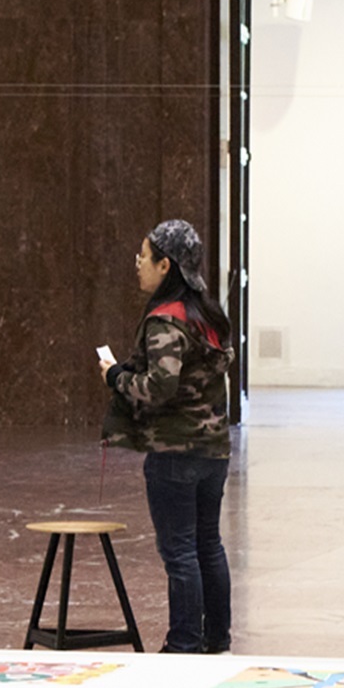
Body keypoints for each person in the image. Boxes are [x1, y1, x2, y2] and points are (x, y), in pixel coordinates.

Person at [102, 218, 236, 654]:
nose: (138, 264)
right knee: (207, 543)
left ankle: (183, 642)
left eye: (144, 257)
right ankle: (216, 637)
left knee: (179, 551)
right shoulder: (207, 315)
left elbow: (161, 386)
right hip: (214, 449)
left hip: (174, 451)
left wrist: (116, 379)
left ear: (166, 266)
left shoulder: (165, 321)